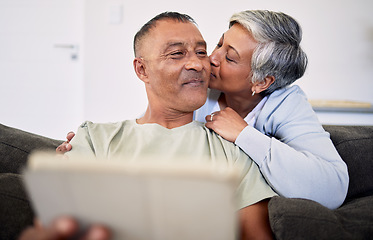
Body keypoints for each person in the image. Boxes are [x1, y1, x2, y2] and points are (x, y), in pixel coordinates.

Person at [57, 10, 349, 210]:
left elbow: (332, 187)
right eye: (219, 43)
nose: (209, 59)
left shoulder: (286, 102)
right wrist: (88, 145)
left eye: (230, 57)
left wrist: (246, 135)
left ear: (262, 81)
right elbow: (156, 124)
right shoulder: (194, 85)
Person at [22, 12, 277, 240]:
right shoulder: (94, 138)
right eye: (177, 53)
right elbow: (58, 226)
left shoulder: (233, 151)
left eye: (201, 52)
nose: (198, 64)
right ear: (142, 69)